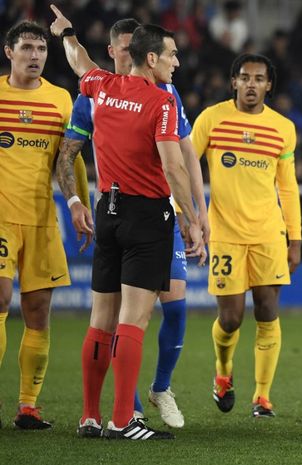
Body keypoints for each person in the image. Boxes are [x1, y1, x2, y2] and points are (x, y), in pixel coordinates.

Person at [50, 5, 204, 440]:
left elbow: (79, 61)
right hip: (145, 215)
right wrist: (191, 218)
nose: (177, 62)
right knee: (134, 320)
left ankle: (89, 416)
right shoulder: (161, 101)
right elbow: (174, 169)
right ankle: (123, 420)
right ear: (151, 58)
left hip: (107, 211)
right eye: (171, 54)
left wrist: (67, 33)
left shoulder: (100, 85)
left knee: (100, 318)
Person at [190, 53, 301, 418]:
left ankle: (262, 396)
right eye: (244, 77)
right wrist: (184, 214)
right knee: (232, 318)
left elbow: (287, 187)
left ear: (269, 85)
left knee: (268, 310)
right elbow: (185, 167)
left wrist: (295, 239)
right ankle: (223, 374)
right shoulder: (212, 119)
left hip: (269, 233)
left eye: (258, 78)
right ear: (233, 82)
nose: (251, 84)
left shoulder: (282, 127)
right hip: (224, 234)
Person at [0, 20, 90, 430]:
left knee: (38, 311)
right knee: (0, 299)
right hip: (1, 217)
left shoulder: (61, 100)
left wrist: (81, 206)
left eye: (41, 48)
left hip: (41, 219)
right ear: (9, 52)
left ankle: (28, 406)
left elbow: (70, 158)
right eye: (27, 48)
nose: (35, 55)